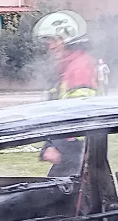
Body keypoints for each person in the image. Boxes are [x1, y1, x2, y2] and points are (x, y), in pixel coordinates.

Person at [33, 11, 96, 175]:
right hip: (73, 152)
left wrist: (59, 148)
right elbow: (56, 110)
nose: (50, 46)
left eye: (55, 40)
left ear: (69, 39)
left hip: (76, 154)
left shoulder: (79, 68)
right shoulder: (68, 68)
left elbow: (80, 116)